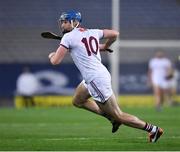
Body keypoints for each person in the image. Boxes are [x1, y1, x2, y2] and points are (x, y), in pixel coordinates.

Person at [48, 10, 163, 142]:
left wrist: (51, 56)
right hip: (96, 76)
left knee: (119, 115)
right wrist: (105, 46)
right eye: (62, 22)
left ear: (75, 22)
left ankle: (153, 130)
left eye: (66, 22)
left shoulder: (68, 38)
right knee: (77, 101)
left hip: (95, 80)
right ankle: (110, 117)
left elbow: (55, 61)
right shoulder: (92, 32)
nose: (62, 25)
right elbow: (114, 34)